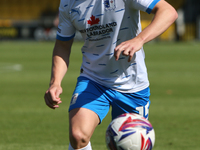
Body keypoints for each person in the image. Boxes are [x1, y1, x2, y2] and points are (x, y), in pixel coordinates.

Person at [44, 0, 178, 149]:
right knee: (78, 136)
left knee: (132, 145)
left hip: (132, 84)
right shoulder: (68, 3)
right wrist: (55, 83)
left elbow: (168, 12)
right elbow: (62, 44)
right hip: (93, 79)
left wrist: (139, 39)